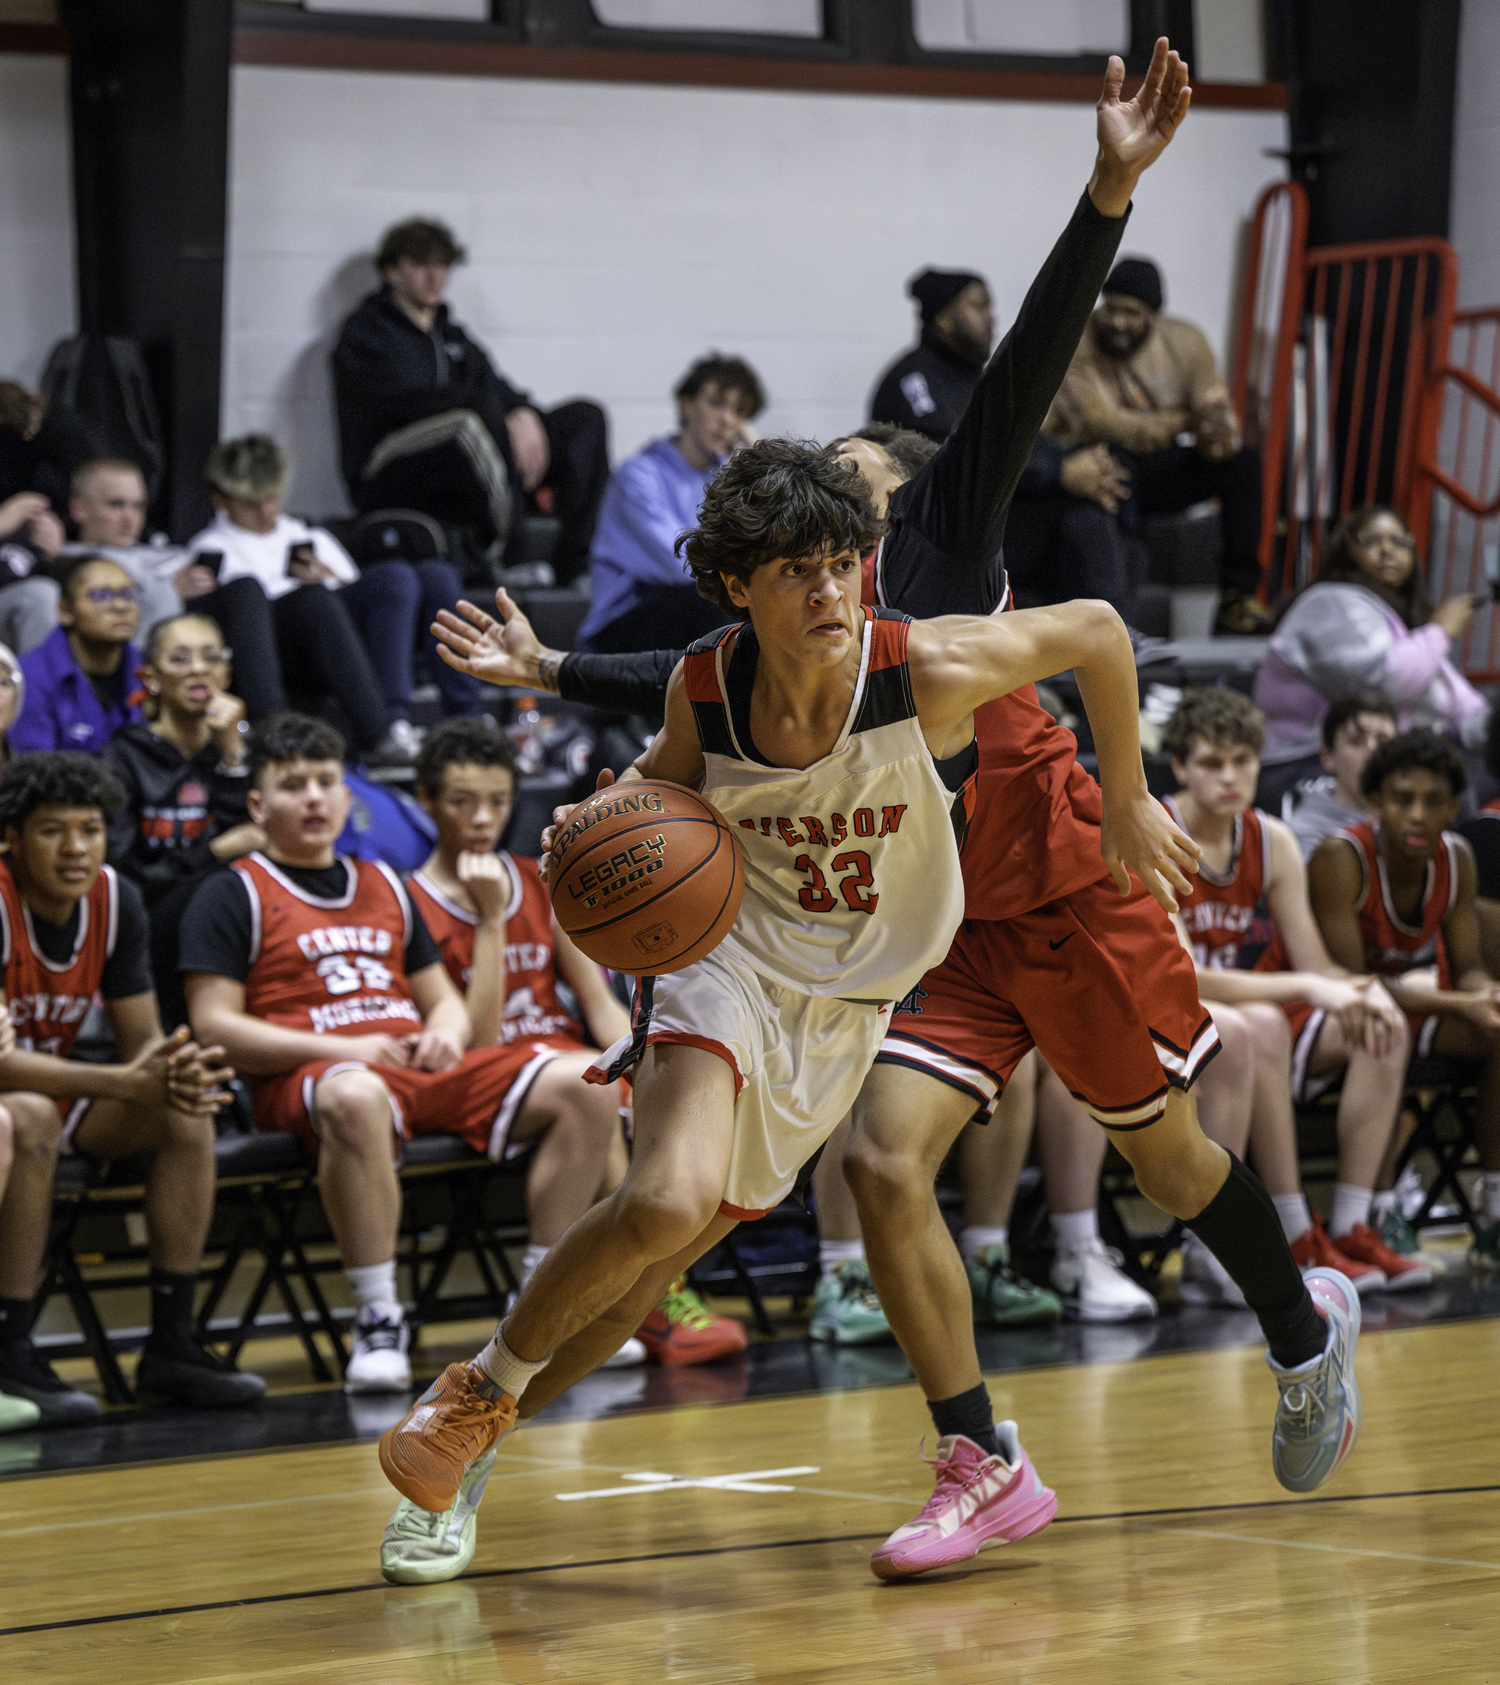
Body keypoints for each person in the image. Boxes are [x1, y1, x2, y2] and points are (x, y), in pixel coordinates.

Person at [401, 43, 1361, 1582]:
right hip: (926, 930)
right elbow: (703, 672)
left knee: (1169, 1165)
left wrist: (1108, 190)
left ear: (893, 509)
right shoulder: (775, 626)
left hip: (1064, 887)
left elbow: (1029, 369)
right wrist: (557, 663)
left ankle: (1307, 1337)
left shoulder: (933, 570)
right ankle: (978, 1451)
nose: (827, 519)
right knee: (880, 1165)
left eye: (849, 488)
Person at [181, 713, 627, 1394]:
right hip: (313, 1074)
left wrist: (446, 1027)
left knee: (589, 1082)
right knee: (355, 1092)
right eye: (293, 784)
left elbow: (439, 997)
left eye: (327, 782)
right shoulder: (231, 890)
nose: (313, 798)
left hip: (410, 1063)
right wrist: (343, 1045)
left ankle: (542, 1302)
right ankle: (378, 1315)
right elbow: (214, 1025)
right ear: (257, 804)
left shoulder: (382, 881)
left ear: (346, 797)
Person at [408, 717, 745, 1373]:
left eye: (498, 801)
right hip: (477, 1075)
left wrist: (662, 1058)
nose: (483, 818)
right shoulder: (408, 897)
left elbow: (597, 1007)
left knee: (658, 1090)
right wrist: (487, 919)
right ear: (426, 800)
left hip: (555, 1069)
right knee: (586, 1089)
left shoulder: (540, 878)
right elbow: (475, 1039)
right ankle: (580, 1302)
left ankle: (633, 1294)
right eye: (461, 801)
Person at [0, 752, 263, 1421]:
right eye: (53, 830)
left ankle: (172, 1343)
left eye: (89, 829)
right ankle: (12, 1345)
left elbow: (141, 1042)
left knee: (182, 1110)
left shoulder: (115, 899)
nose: (75, 847)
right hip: (22, 1097)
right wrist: (125, 1079)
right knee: (29, 1115)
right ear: (13, 839)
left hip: (65, 1081)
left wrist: (175, 1069)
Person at [1162, 688, 1427, 1295]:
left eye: (1243, 761)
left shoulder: (1270, 838)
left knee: (1381, 1021)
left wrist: (1363, 990)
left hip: (1255, 1010)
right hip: (1170, 1013)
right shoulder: (1160, 830)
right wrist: (1312, 984)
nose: (1230, 778)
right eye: (1211, 763)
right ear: (1180, 766)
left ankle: (1353, 1224)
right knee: (1254, 1024)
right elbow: (1184, 977)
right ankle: (1261, 1231)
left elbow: (1315, 962)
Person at [1307, 729, 1500, 1268]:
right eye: (1402, 799)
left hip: (1403, 1006)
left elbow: (1469, 970)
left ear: (1454, 806)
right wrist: (1460, 1003)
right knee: (1383, 1023)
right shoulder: (1339, 858)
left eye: (1434, 801)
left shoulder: (1457, 859)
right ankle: (1379, 1212)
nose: (1417, 814)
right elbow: (1350, 981)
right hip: (1321, 1010)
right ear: (1375, 803)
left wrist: (1486, 995)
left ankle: (1494, 1209)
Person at [332, 217, 609, 584]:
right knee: (473, 416)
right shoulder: (366, 333)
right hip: (387, 464)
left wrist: (523, 413)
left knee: (585, 420)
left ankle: (575, 566)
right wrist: (490, 408)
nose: (435, 278)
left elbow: (497, 387)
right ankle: (505, 558)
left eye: (442, 266)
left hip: (463, 448)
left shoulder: (452, 336)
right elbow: (394, 404)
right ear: (391, 272)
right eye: (420, 265)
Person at [185, 434, 479, 762]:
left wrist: (329, 580)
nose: (266, 510)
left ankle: (458, 714)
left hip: (332, 640)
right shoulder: (211, 548)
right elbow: (233, 613)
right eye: (252, 503)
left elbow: (358, 593)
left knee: (410, 577)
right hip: (272, 648)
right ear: (222, 500)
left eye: (272, 498)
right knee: (305, 599)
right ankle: (367, 727)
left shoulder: (306, 534)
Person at [870, 275, 1138, 624]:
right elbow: (958, 459)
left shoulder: (976, 379)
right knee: (1079, 511)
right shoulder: (914, 381)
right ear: (943, 319)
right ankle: (1115, 633)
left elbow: (1023, 440)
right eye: (979, 306)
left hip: (990, 525)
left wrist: (1077, 464)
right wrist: (1061, 474)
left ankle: (1092, 638)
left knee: (1115, 500)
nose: (992, 317)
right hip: (937, 537)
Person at [1042, 256, 1269, 635]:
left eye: (1130, 313)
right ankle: (1117, 615)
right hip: (1092, 464)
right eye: (1110, 308)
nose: (1117, 322)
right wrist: (1184, 419)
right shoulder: (1077, 340)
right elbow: (1100, 422)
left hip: (1152, 468)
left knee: (1243, 463)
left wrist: (1213, 429)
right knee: (1111, 458)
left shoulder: (1187, 343)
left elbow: (1219, 436)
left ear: (1155, 315)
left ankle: (1237, 597)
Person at [1255, 507, 1488, 806]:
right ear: (1348, 551)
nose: (1387, 550)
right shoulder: (1330, 603)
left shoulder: (1394, 620)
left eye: (1399, 542)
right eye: (1372, 541)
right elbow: (1387, 686)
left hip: (1367, 759)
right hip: (1302, 764)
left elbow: (1456, 702)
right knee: (1447, 792)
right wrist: (1440, 632)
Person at [102, 614, 264, 1028]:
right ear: (152, 677)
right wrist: (215, 851)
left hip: (235, 915)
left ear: (227, 672)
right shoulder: (125, 755)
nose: (198, 668)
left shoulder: (244, 752)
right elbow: (124, 871)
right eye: (180, 658)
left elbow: (260, 838)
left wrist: (232, 758)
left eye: (211, 657)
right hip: (151, 918)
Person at [577, 355, 763, 655]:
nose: (728, 420)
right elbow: (683, 563)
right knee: (720, 605)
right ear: (686, 404)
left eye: (739, 412)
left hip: (691, 610)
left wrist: (758, 458)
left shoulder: (728, 479)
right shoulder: (638, 476)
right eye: (717, 404)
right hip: (622, 625)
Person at [11, 553, 144, 756]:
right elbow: (34, 775)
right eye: (101, 595)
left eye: (127, 595)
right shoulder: (30, 677)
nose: (120, 606)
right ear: (65, 611)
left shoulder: (148, 670)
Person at [1285, 691, 1399, 860]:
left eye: (1383, 741)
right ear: (1328, 757)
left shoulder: (1411, 815)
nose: (1373, 751)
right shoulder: (1304, 831)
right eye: (1356, 741)